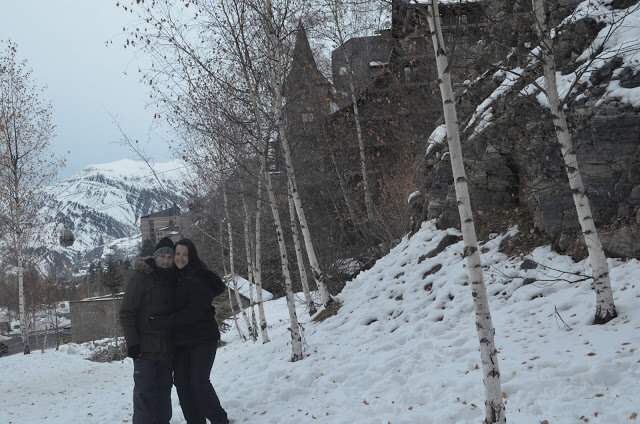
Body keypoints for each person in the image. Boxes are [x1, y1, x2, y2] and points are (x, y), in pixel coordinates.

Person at [149, 238, 229, 424]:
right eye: (177, 254)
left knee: (199, 382)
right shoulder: (176, 278)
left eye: (185, 254)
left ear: (191, 256)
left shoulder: (198, 277)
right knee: (182, 384)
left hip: (202, 338)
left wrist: (163, 322)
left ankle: (220, 420)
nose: (180, 258)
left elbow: (192, 313)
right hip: (182, 341)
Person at [119, 236, 176, 424]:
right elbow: (127, 312)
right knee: (144, 395)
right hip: (145, 350)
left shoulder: (173, 279)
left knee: (163, 395)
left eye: (170, 257)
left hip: (167, 349)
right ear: (155, 257)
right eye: (163, 257)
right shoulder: (141, 277)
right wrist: (133, 344)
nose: (166, 261)